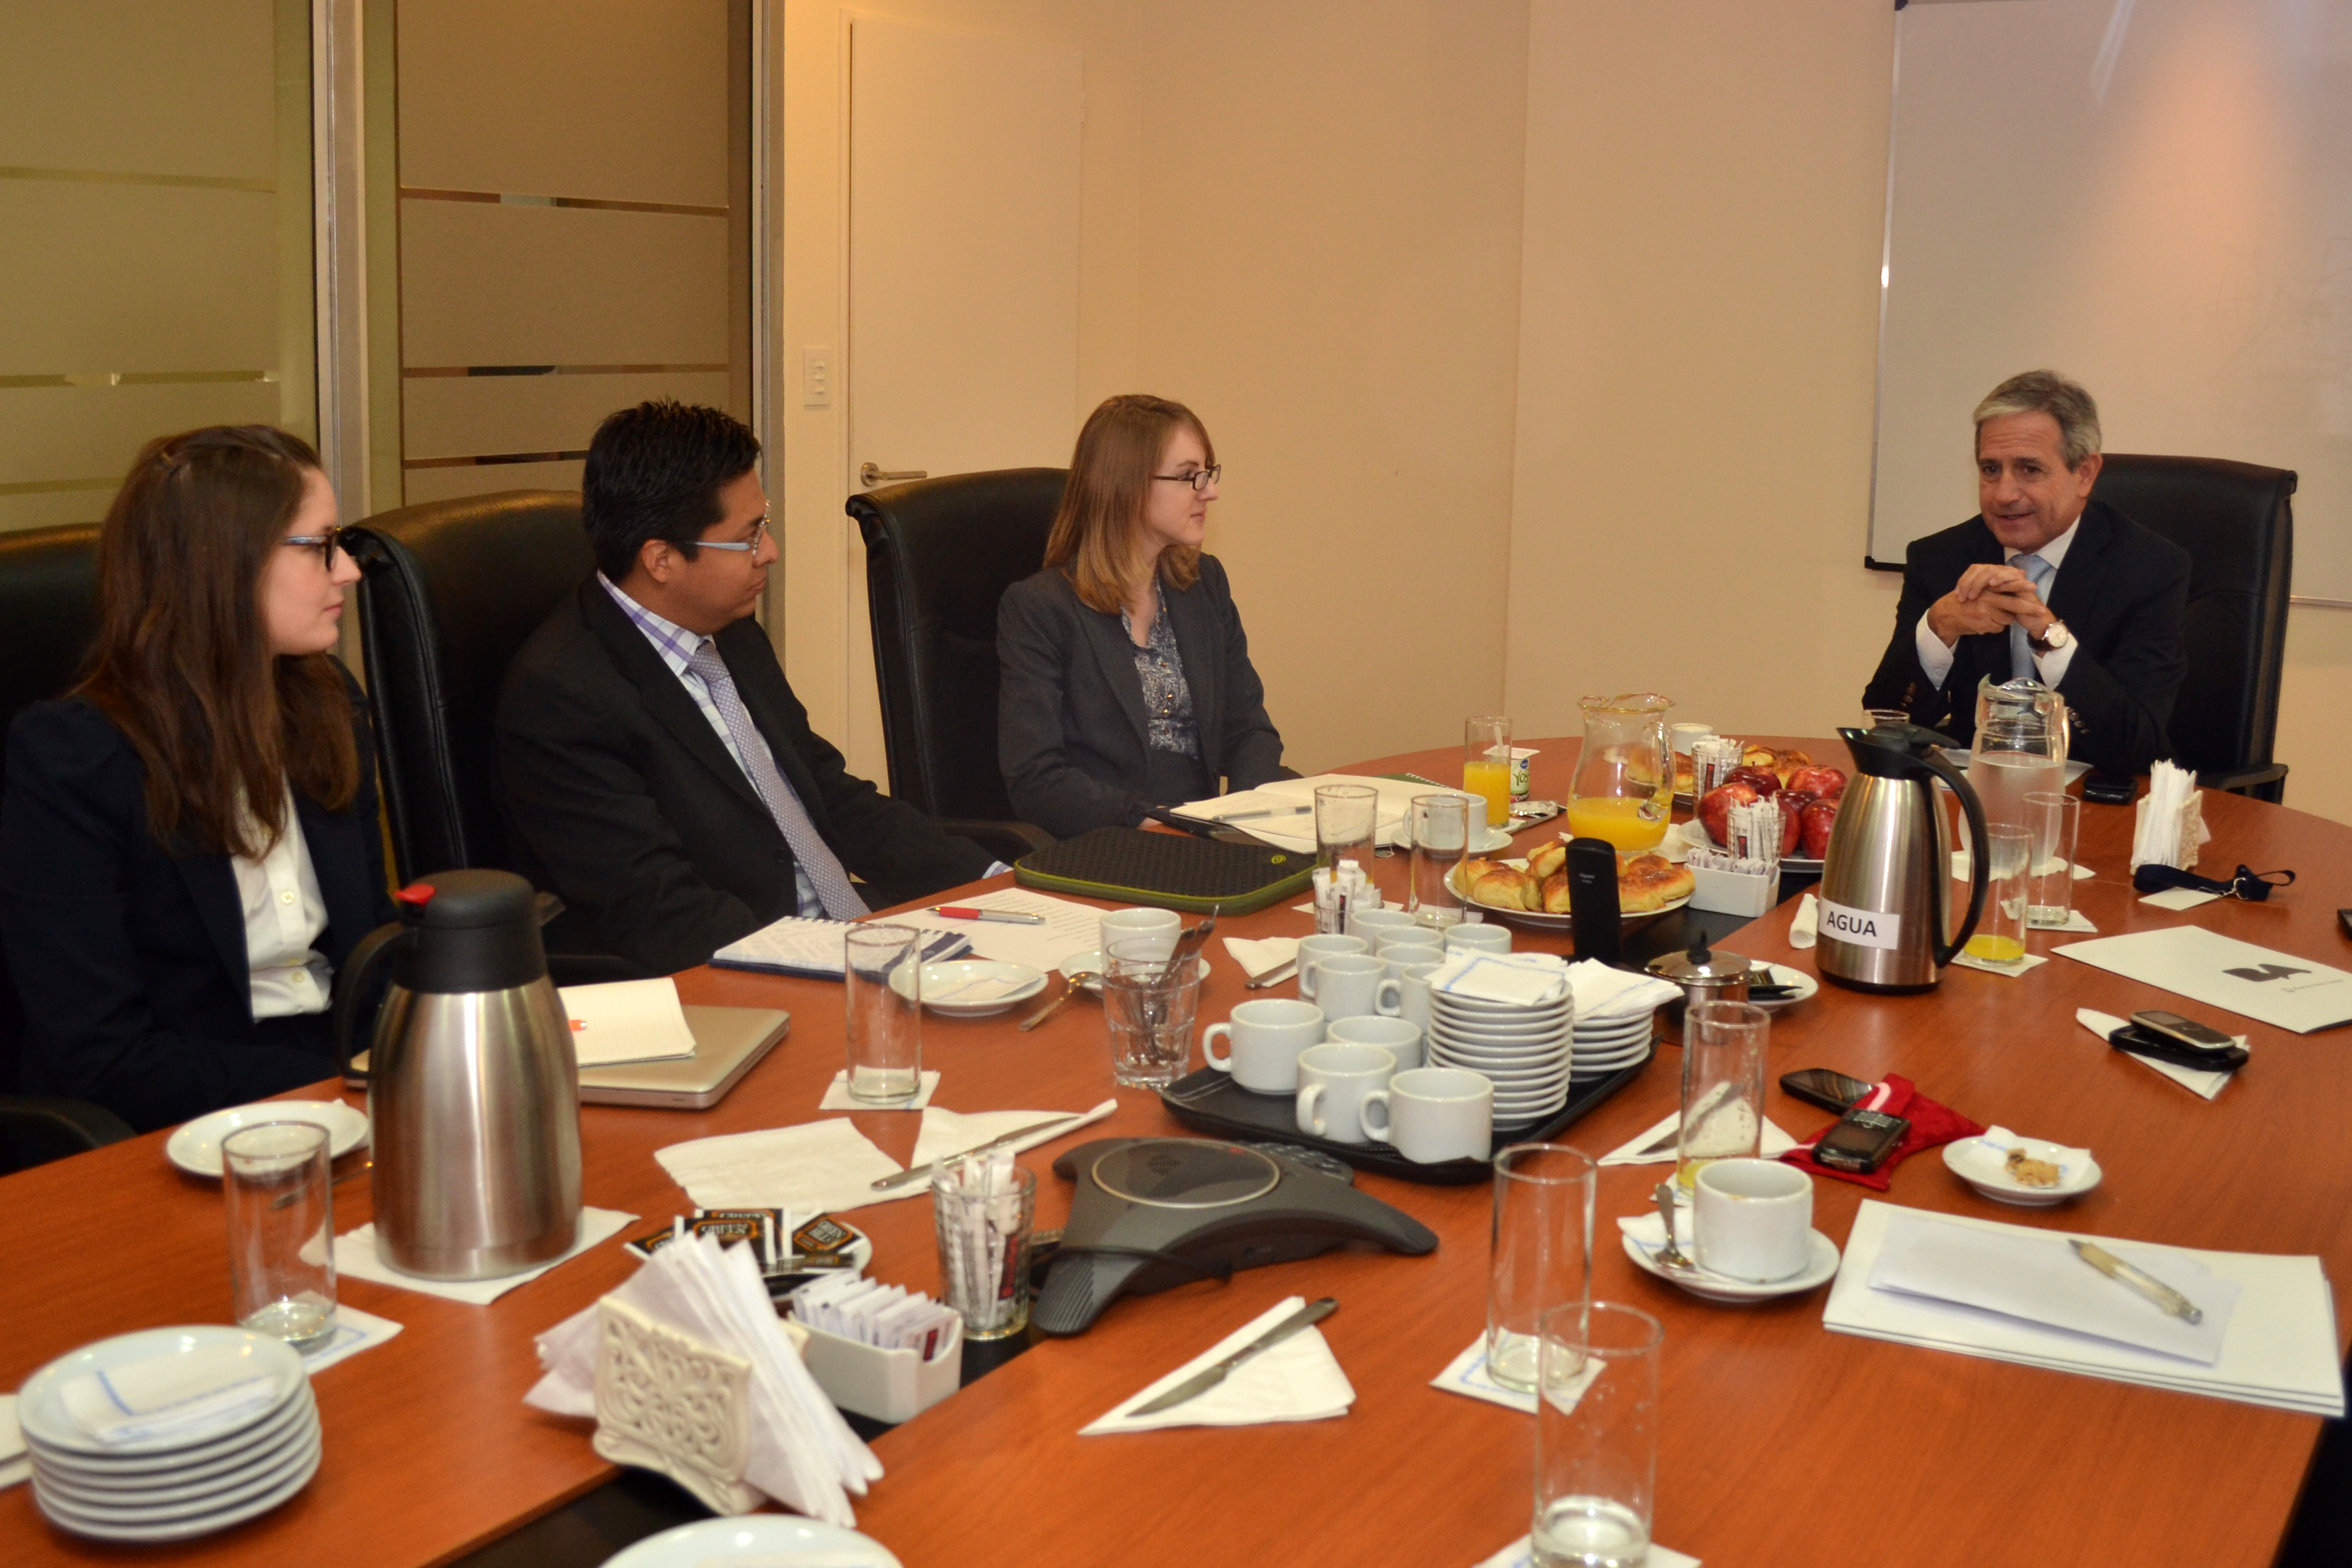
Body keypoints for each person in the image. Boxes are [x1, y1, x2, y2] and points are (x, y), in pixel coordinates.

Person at [496, 401, 995, 975]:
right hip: (752, 973)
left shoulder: (730, 631)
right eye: (749, 536)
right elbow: (662, 913)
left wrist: (991, 883)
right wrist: (850, 963)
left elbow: (827, 794)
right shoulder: (563, 699)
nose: (771, 552)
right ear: (661, 559)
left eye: (767, 523)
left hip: (846, 933)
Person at [1, 426, 394, 1132]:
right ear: (224, 565)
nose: (349, 572)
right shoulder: (74, 760)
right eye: (319, 547)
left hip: (345, 1096)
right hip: (175, 1126)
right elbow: (105, 1058)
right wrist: (341, 1086)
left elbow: (373, 953)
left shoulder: (328, 704)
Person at [1861, 369, 2190, 774]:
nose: (2004, 494)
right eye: (1991, 470)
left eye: (2029, 470)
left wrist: (2050, 638)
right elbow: (1888, 723)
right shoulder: (1940, 558)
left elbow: (2136, 747)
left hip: (2093, 805)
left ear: (2085, 474)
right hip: (1973, 797)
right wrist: (1939, 628)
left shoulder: (2150, 569)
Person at [997, 394, 1283, 838]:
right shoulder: (1041, 608)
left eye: (1207, 473)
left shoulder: (1204, 584)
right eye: (1190, 477)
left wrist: (1245, 819)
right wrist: (1152, 821)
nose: (1211, 491)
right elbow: (1037, 780)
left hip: (1208, 831)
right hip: (1115, 840)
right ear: (1126, 487)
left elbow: (1250, 730)